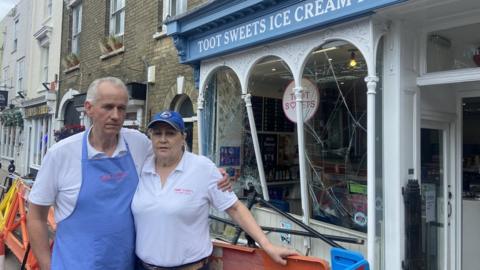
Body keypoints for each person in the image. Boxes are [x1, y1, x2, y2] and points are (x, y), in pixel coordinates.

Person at [26, 77, 230, 270]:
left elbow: (175, 157)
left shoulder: (138, 144)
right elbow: (36, 216)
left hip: (127, 264)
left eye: (121, 108)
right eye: (107, 107)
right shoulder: (61, 154)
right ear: (89, 108)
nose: (115, 115)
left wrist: (212, 172)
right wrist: (47, 266)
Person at [133, 111, 298, 270]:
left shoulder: (202, 168)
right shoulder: (141, 167)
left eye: (170, 133)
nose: (163, 139)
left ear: (183, 137)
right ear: (151, 138)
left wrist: (267, 245)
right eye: (157, 133)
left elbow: (235, 208)